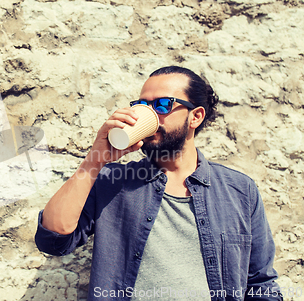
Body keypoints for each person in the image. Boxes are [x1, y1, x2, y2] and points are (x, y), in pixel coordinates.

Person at [35, 66, 283, 301]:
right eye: (142, 105)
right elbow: (53, 240)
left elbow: (260, 282)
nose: (150, 113)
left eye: (162, 105)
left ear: (195, 116)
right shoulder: (112, 182)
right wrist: (95, 159)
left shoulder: (238, 190)